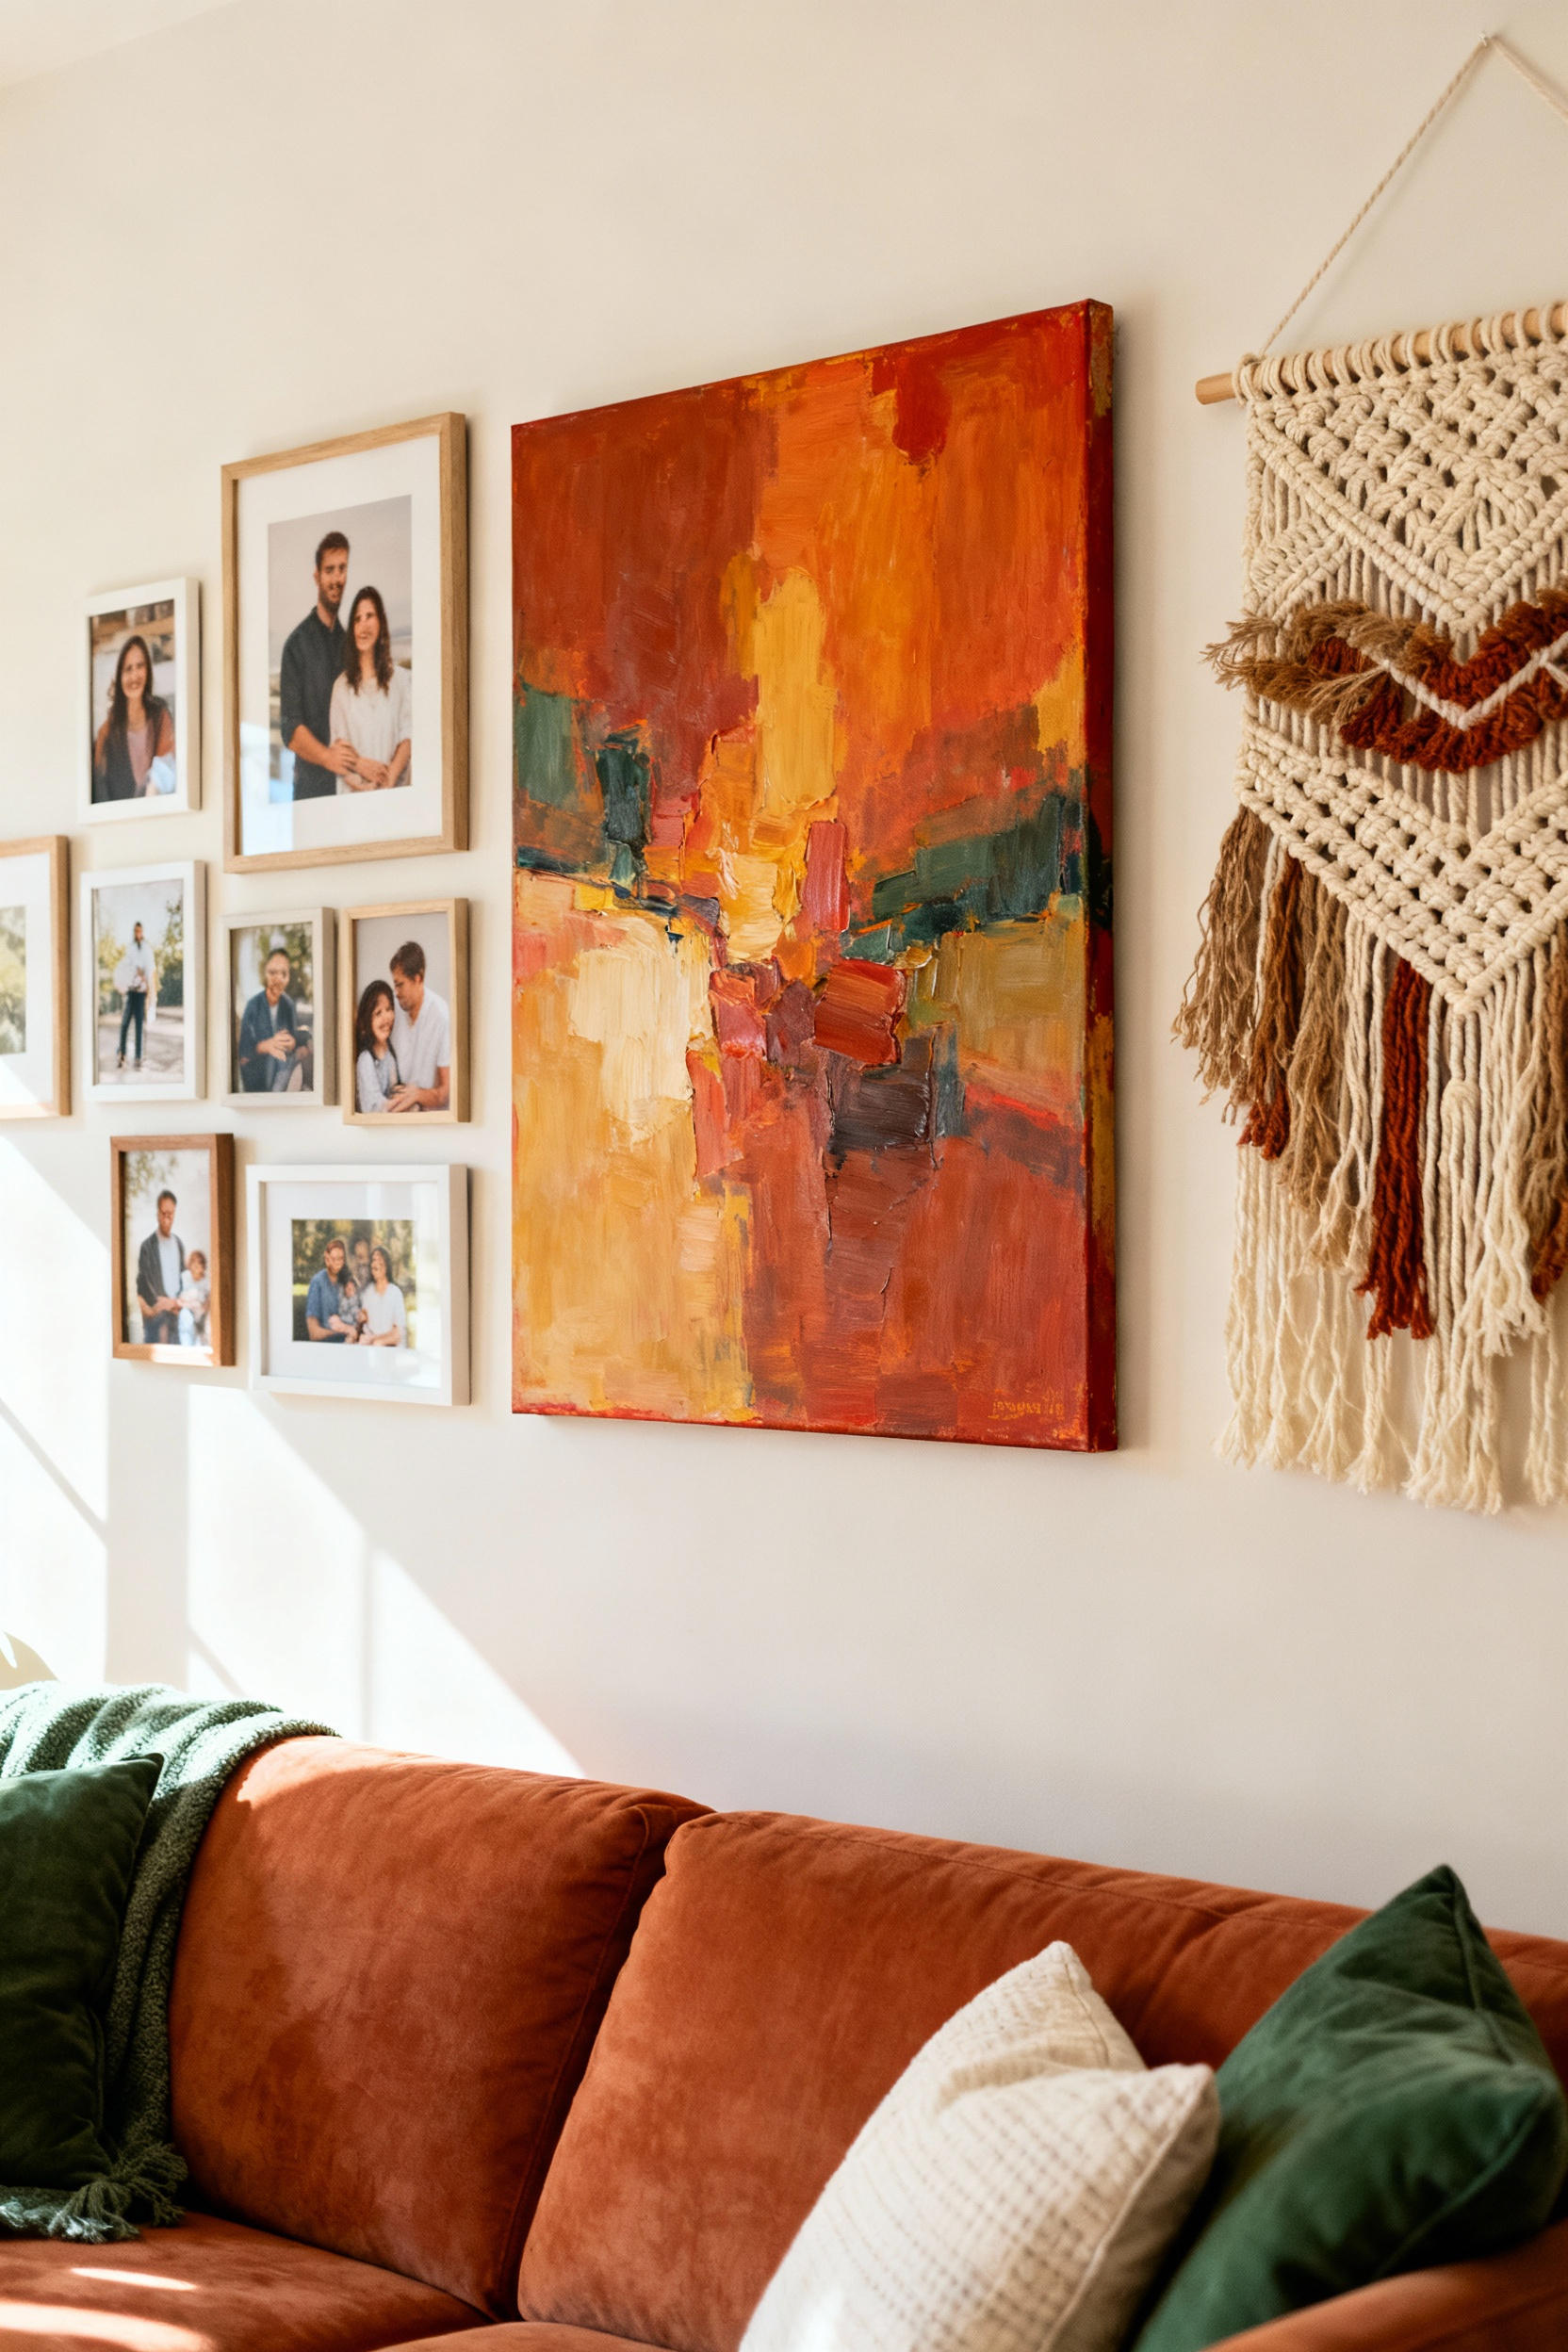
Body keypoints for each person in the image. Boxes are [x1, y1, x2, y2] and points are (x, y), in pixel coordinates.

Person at [278, 531, 352, 800]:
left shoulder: (349, 644)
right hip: (311, 794)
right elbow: (290, 728)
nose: (336, 578)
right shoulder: (296, 646)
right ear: (317, 576)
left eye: (342, 569)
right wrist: (328, 757)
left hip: (350, 789)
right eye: (329, 570)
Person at [328, 587, 411, 792]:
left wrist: (389, 779)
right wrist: (361, 780)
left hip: (394, 796)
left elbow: (408, 736)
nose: (363, 625)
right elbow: (339, 750)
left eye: (369, 616)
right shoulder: (341, 687)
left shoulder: (401, 679)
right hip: (354, 800)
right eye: (357, 619)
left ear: (381, 622)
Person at [93, 634, 174, 803]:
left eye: (140, 666)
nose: (135, 675)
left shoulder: (161, 716)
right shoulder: (106, 733)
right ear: (119, 676)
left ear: (147, 670)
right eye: (128, 669)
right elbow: (99, 790)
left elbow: (171, 764)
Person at [387, 941, 451, 1114]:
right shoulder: (391, 1007)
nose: (396, 992)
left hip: (429, 1117)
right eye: (394, 985)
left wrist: (417, 1095)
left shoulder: (441, 1014)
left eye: (400, 984)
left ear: (418, 978)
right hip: (395, 1111)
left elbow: (446, 1093)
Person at [237, 944, 308, 1093]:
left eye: (284, 974)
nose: (278, 979)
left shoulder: (288, 1004)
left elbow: (291, 1037)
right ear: (264, 973)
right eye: (272, 973)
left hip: (282, 1074)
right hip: (258, 1082)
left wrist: (293, 1043)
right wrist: (266, 1045)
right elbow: (243, 1054)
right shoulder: (253, 1005)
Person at [135, 1189, 185, 1346]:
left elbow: (183, 1278)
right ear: (157, 1213)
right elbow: (142, 1284)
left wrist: (176, 1303)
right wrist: (159, 1305)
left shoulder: (179, 1244)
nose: (167, 1218)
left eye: (170, 1213)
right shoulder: (147, 1246)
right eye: (163, 1213)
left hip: (176, 1318)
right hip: (156, 1320)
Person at [354, 978, 400, 1113]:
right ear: (367, 1021)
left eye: (389, 1009)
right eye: (378, 1013)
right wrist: (403, 1102)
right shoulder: (365, 1059)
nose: (386, 1018)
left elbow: (393, 1090)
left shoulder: (389, 1055)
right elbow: (373, 1106)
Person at [115, 921, 155, 1070]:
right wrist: (134, 971)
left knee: (139, 1025)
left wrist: (150, 993)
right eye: (135, 931)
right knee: (125, 1023)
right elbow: (126, 967)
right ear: (134, 932)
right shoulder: (130, 949)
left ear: (142, 932)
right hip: (131, 991)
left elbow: (151, 971)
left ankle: (138, 1058)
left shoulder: (147, 950)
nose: (137, 933)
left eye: (139, 931)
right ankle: (122, 1053)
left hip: (141, 993)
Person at [359, 1243, 407, 1348]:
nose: (376, 1264)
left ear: (387, 1266)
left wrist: (375, 1339)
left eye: (380, 1260)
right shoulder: (368, 1293)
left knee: (378, 1343)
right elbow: (365, 1328)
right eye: (373, 1260)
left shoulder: (395, 1292)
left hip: (391, 1347)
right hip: (371, 1346)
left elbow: (397, 1335)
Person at [304, 1236, 351, 1341]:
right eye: (334, 1259)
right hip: (328, 1343)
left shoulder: (346, 1282)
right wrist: (342, 1331)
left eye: (341, 1259)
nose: (337, 1263)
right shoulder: (317, 1282)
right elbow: (313, 1333)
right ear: (327, 1258)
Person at [176, 1250, 210, 1349]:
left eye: (199, 1262)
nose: (196, 1265)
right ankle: (187, 1348)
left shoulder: (207, 1281)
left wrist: (202, 1309)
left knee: (202, 1333)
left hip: (201, 1311)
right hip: (186, 1308)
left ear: (203, 1266)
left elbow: (209, 1299)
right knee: (186, 1321)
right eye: (193, 1262)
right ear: (190, 1264)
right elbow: (177, 1297)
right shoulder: (184, 1277)